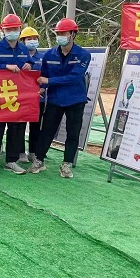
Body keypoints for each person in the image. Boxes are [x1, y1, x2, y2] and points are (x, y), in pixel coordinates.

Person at [30, 18, 90, 178]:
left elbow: (75, 77)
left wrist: (49, 81)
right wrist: (41, 88)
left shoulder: (83, 55)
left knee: (73, 133)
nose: (60, 36)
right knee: (47, 131)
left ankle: (66, 164)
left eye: (64, 33)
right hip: (55, 99)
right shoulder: (49, 54)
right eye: (58, 33)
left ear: (73, 34)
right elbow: (43, 75)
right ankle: (39, 160)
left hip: (75, 100)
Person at [0, 13, 33, 176]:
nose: (12, 32)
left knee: (16, 129)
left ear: (20, 29)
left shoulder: (24, 49)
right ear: (2, 30)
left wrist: (29, 65)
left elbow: (30, 64)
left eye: (15, 29)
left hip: (17, 96)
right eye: (8, 29)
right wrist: (5, 66)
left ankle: (11, 161)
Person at [20, 26, 43, 163]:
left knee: (36, 126)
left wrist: (43, 88)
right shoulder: (19, 56)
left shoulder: (43, 57)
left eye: (34, 38)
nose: (32, 41)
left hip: (39, 98)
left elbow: (48, 74)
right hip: (21, 98)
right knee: (20, 126)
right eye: (29, 39)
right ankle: (21, 152)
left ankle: (33, 151)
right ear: (23, 41)